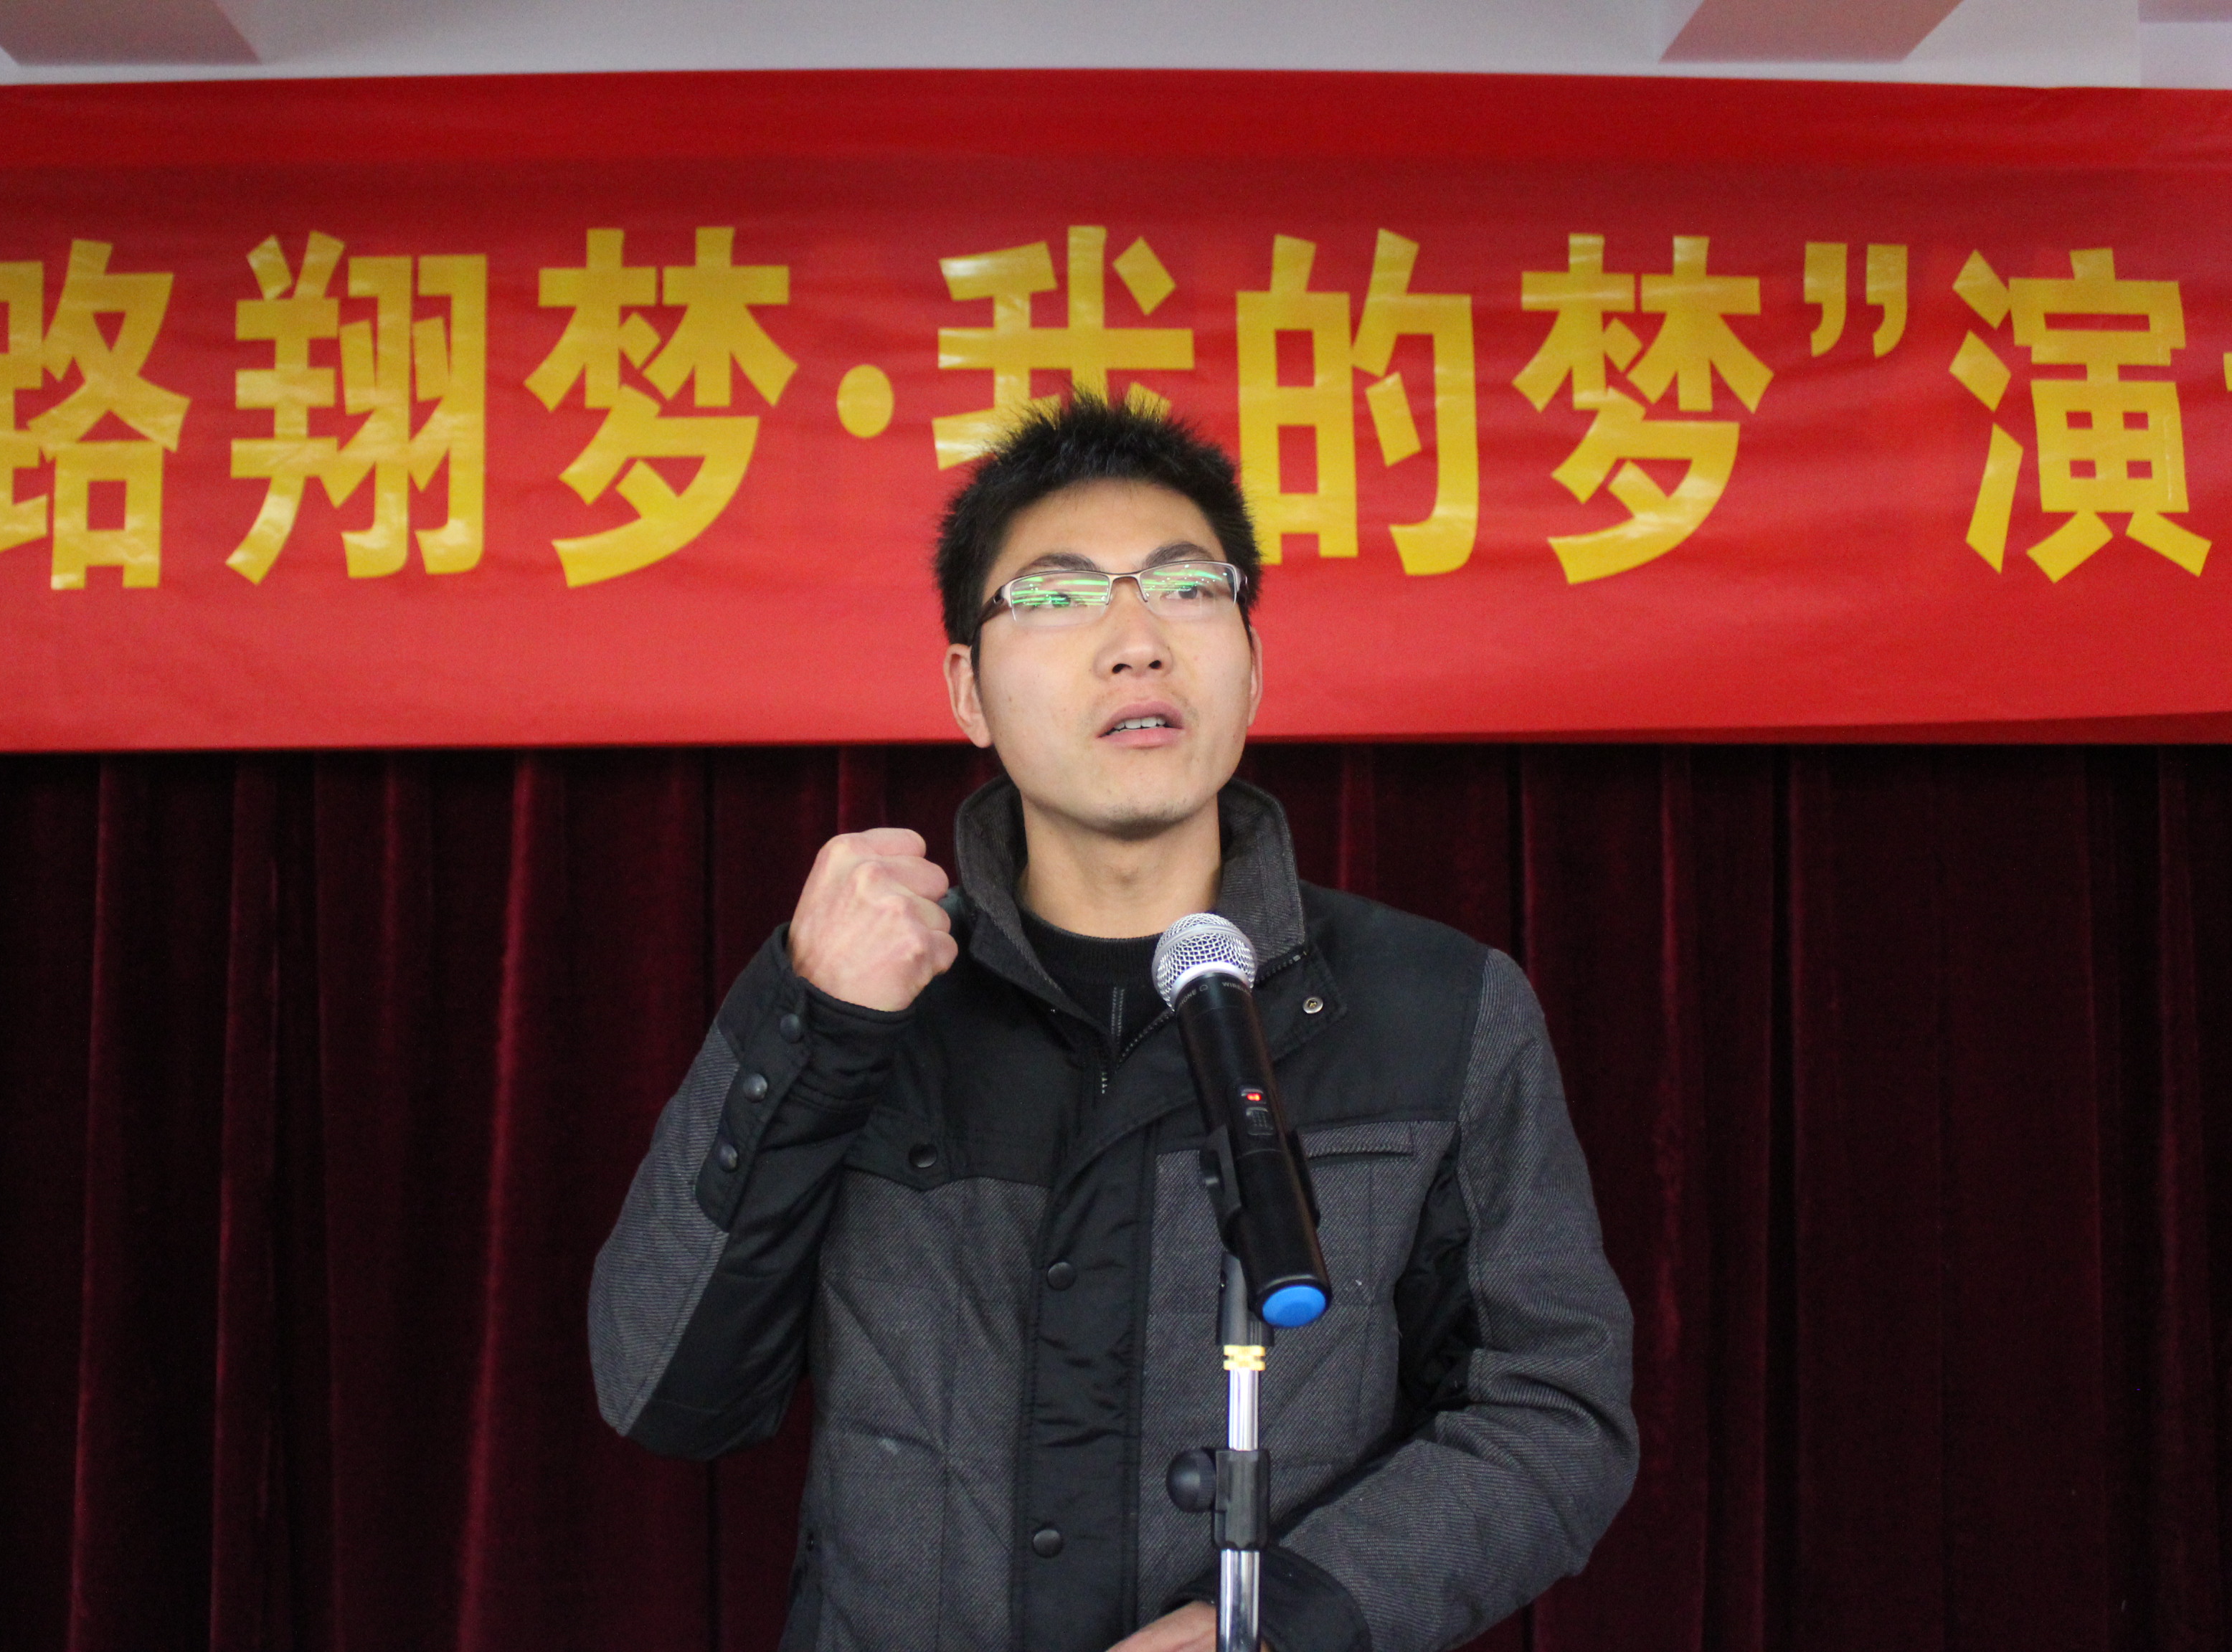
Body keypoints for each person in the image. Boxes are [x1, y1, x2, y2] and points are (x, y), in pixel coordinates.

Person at [589, 397, 1636, 1652]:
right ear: (968, 692)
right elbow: (668, 1392)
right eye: (1058, 595)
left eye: (1189, 589)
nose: (1137, 642)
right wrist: (809, 1029)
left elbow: (1553, 1412)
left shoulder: (1438, 1008)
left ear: (1253, 662)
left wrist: (1279, 1621)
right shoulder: (861, 1000)